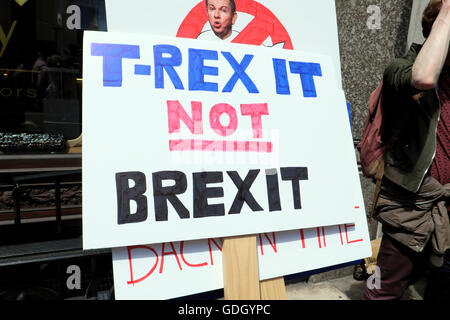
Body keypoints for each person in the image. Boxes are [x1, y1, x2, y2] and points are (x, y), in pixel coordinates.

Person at [364, 0, 450, 300]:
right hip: (410, 208)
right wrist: (447, 12)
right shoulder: (401, 68)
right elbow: (423, 77)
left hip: (448, 211)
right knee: (384, 293)